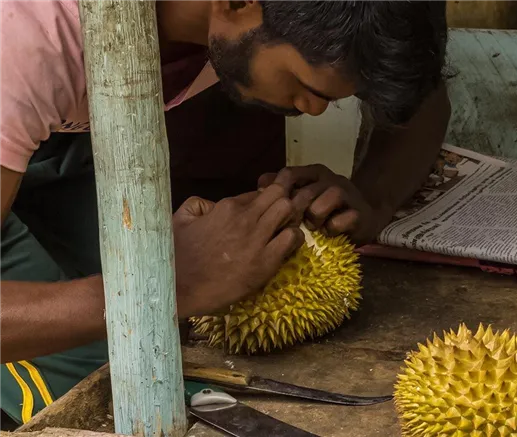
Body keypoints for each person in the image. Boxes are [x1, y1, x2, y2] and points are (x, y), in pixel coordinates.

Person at [0, 0, 451, 426]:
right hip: (31, 115)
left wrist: (374, 197)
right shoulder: (28, 39)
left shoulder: (272, 20)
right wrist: (159, 287)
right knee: (103, 391)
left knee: (160, 351)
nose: (314, 112)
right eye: (311, 90)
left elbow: (420, 96)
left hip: (63, 143)